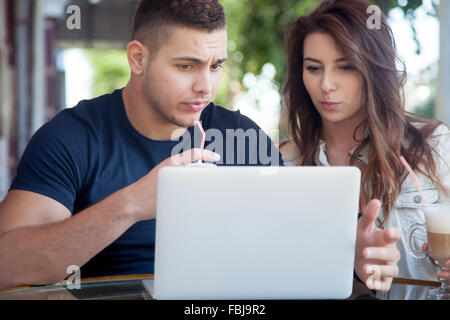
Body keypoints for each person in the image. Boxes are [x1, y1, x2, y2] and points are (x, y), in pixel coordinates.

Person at [0, 0, 398, 294]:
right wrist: (133, 204)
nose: (206, 87)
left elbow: (288, 258)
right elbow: (8, 265)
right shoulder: (72, 137)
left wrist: (350, 258)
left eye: (216, 66)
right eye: (186, 66)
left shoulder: (243, 137)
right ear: (138, 58)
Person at [279, 0, 449, 299]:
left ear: (374, 69)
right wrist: (348, 265)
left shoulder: (435, 147)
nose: (326, 84)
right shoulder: (283, 163)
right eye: (313, 68)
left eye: (345, 66)